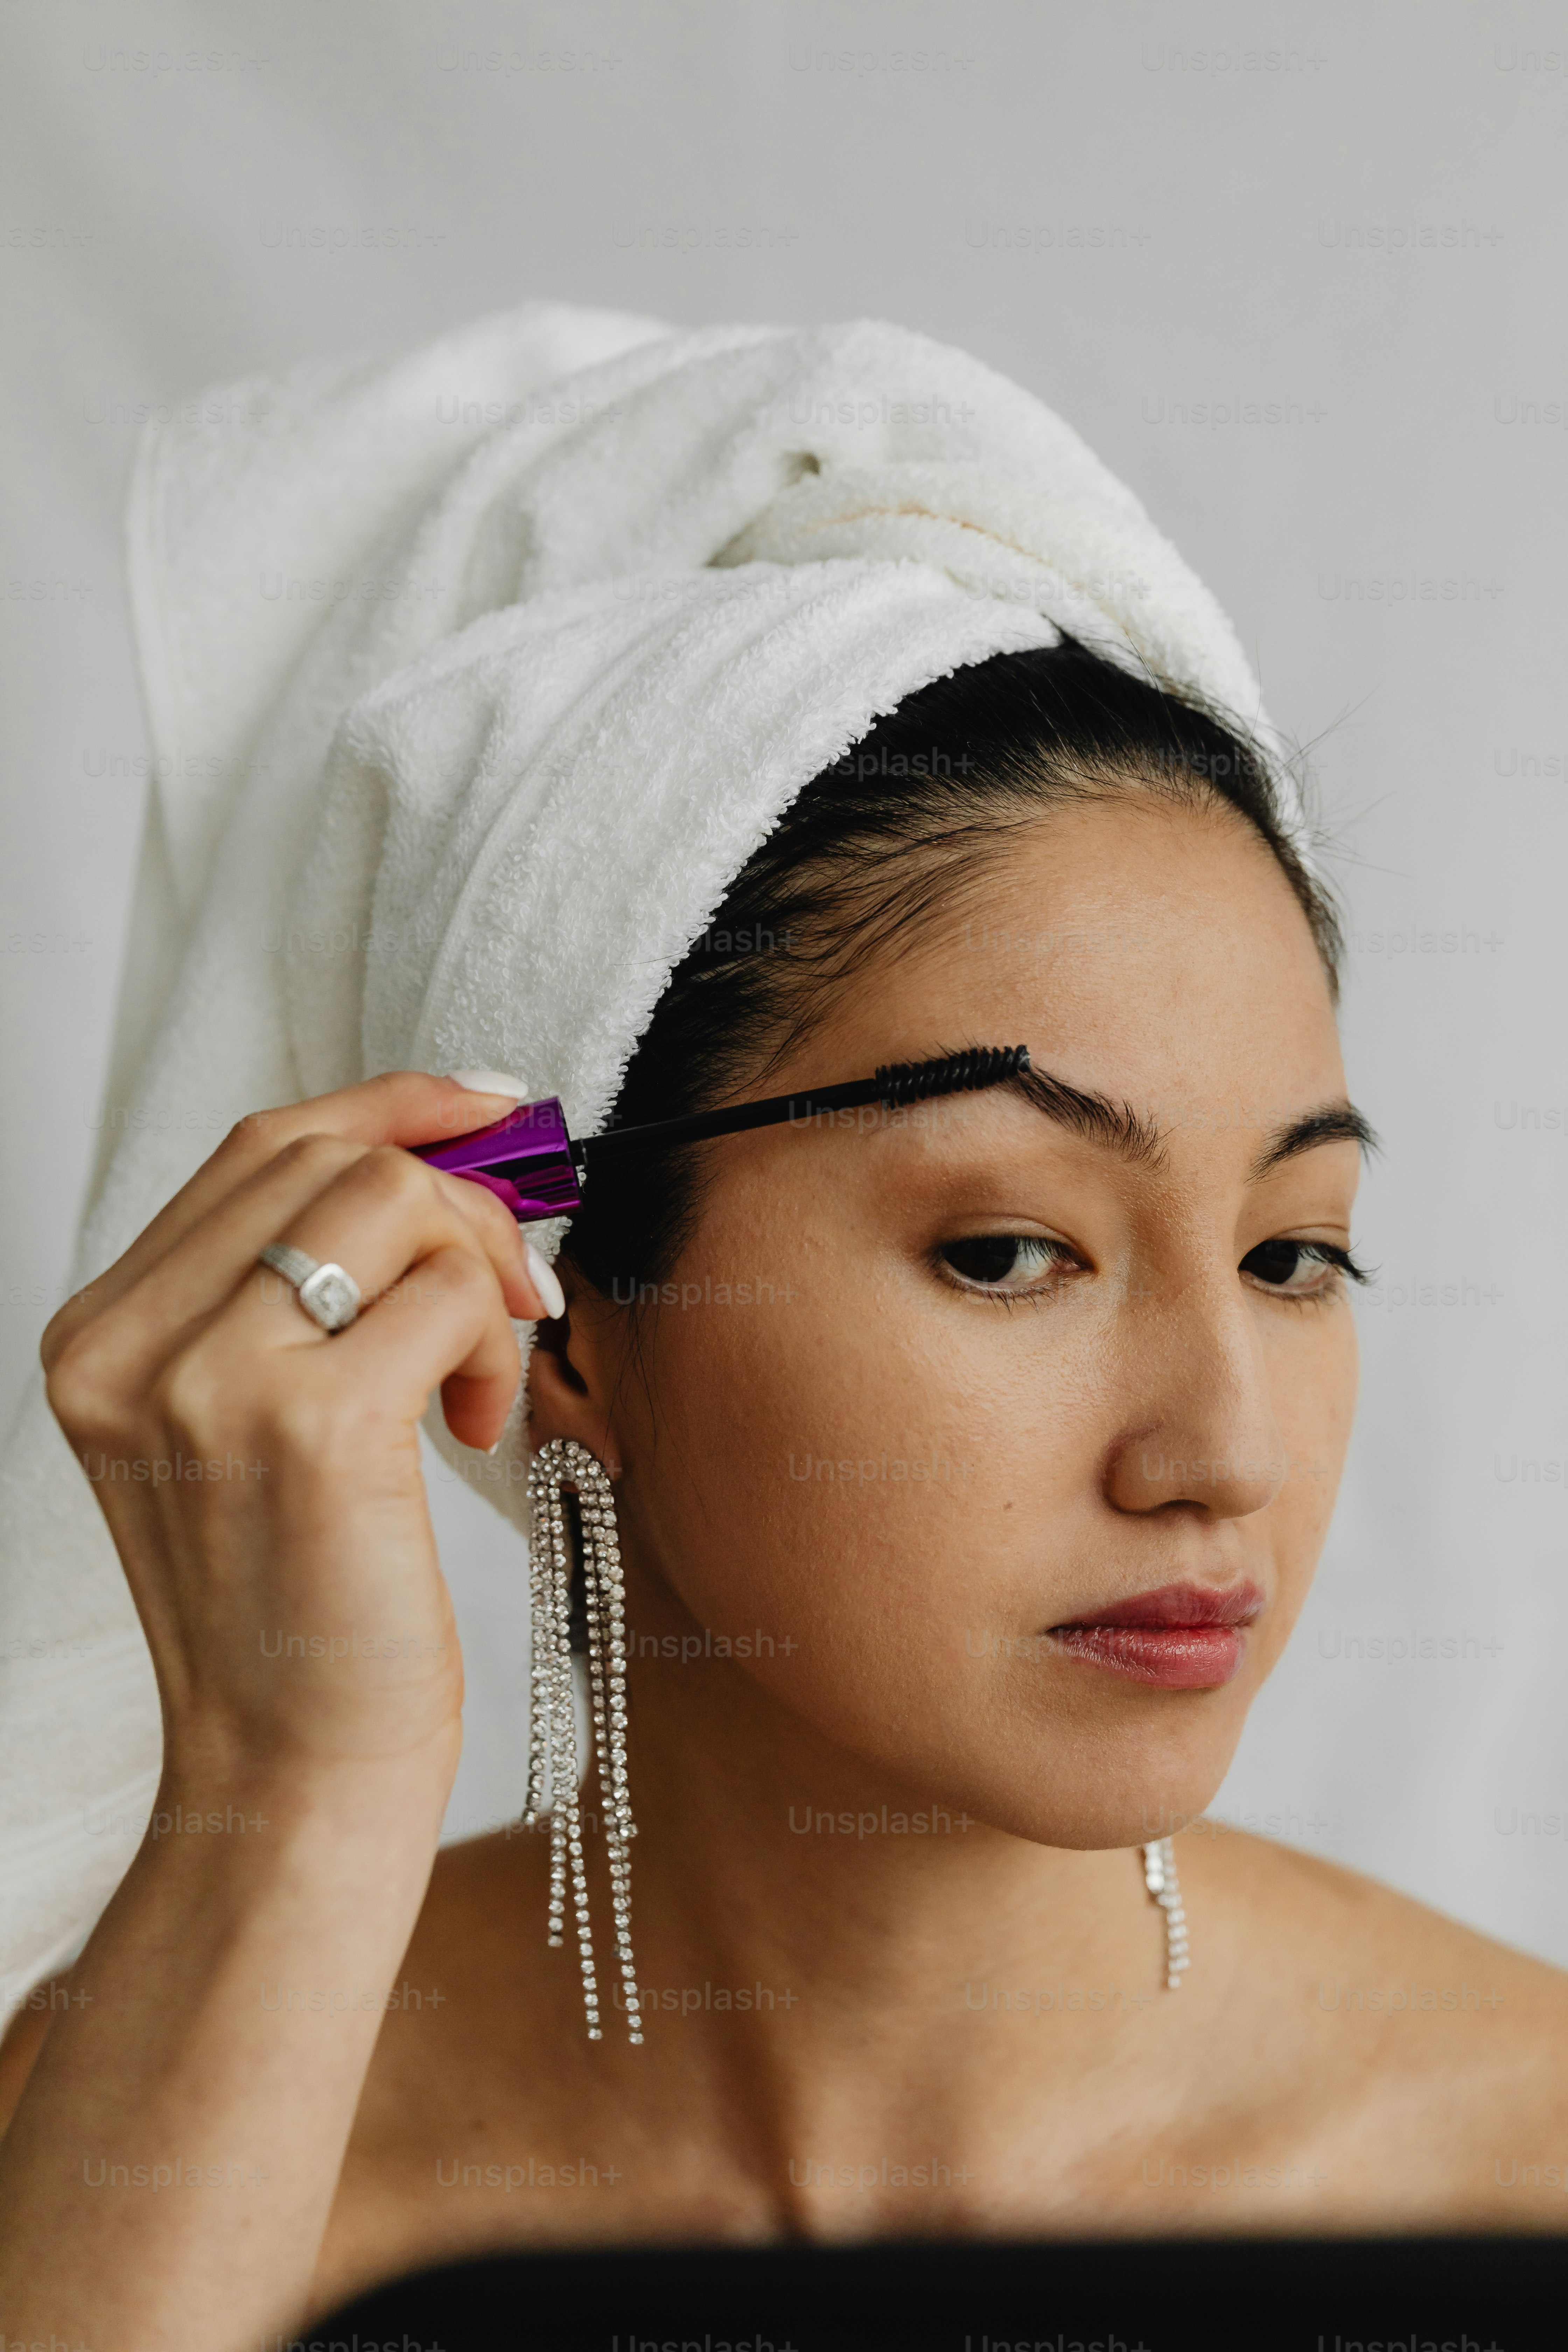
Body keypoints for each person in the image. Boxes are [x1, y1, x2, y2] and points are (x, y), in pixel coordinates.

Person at [0, 314, 1563, 2352]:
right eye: (1011, 1253)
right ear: (555, 1306)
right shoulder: (148, 2171)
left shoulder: (1516, 2179)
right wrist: (294, 1785)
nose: (1221, 1451)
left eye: (1291, 1256)